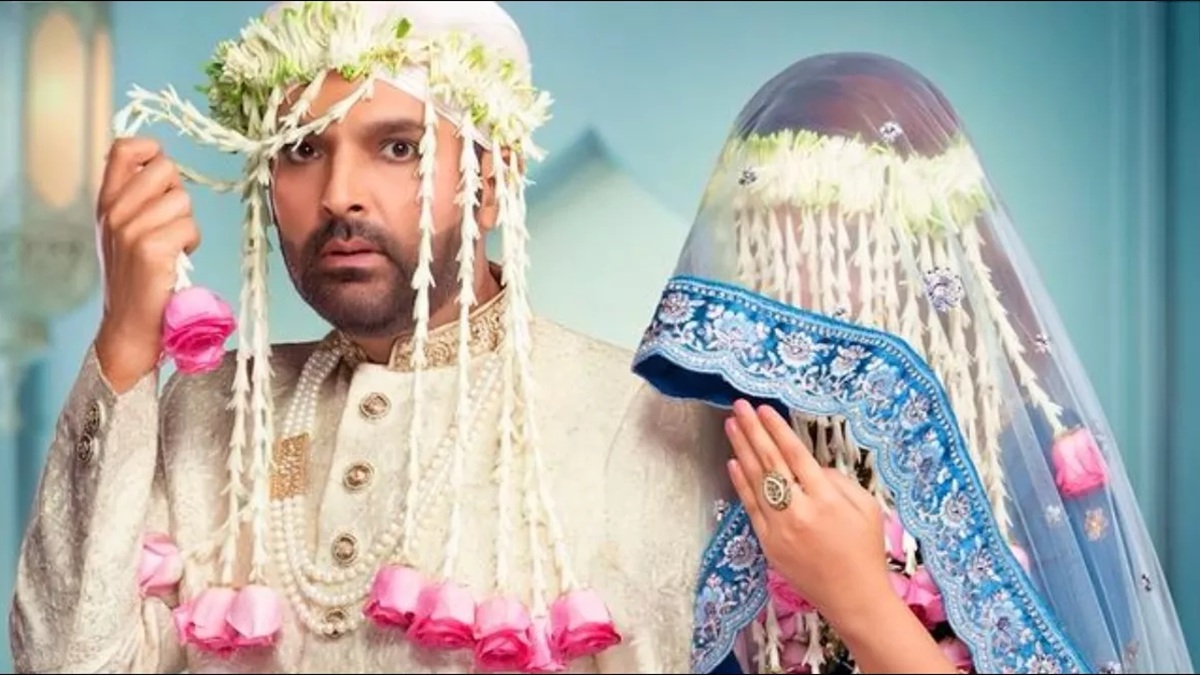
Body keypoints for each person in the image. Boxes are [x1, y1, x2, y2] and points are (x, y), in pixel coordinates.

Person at [8, 2, 732, 673]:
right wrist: (126, 340)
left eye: (397, 146)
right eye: (301, 149)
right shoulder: (209, 405)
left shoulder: (630, 419)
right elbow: (67, 662)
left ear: (490, 182)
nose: (338, 195)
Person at [632, 52, 1195, 674]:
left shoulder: (1034, 464)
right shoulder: (719, 445)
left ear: (919, 257)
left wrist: (861, 601)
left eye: (839, 246)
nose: (788, 284)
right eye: (762, 243)